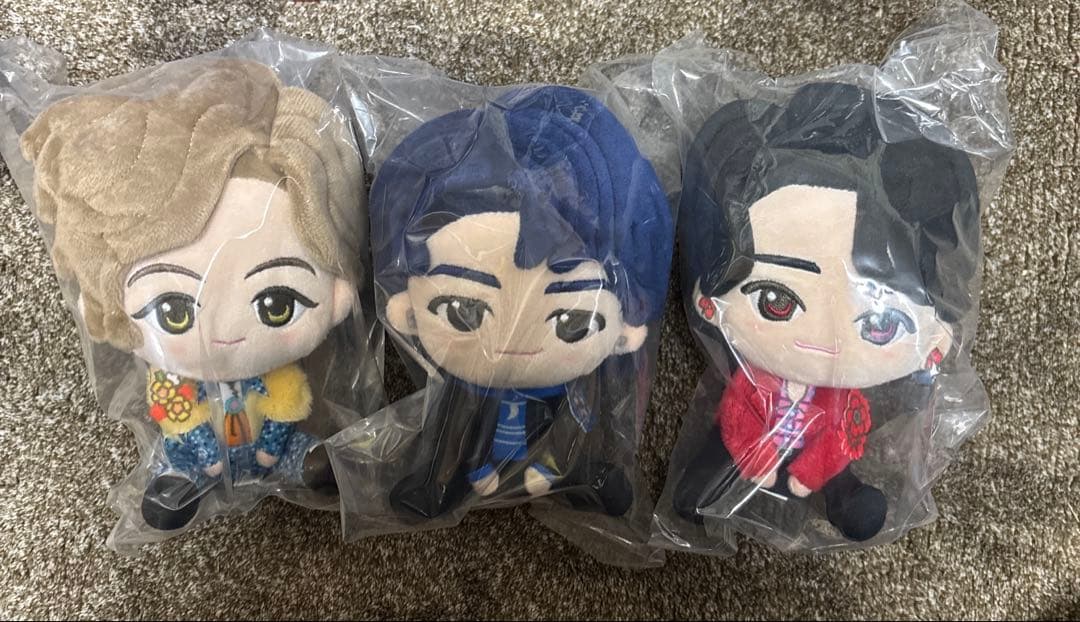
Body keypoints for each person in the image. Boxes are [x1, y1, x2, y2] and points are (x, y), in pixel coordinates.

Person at [21, 58, 364, 530]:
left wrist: (270, 448)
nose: (226, 335)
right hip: (198, 456)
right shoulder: (173, 385)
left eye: (277, 304)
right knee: (177, 457)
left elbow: (288, 405)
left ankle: (306, 467)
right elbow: (180, 421)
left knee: (304, 452)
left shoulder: (277, 378)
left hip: (276, 445)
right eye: (174, 311)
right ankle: (177, 482)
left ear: (338, 295)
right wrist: (209, 459)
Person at [673, 82, 980, 541]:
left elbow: (838, 439)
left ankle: (843, 498)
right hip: (755, 441)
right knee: (722, 450)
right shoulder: (754, 383)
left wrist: (809, 474)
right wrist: (758, 460)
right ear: (710, 301)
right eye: (776, 301)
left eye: (879, 324)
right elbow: (737, 417)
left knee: (839, 468)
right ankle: (710, 484)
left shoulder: (841, 402)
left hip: (813, 449)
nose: (823, 339)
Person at [370, 85, 673, 519]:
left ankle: (568, 474)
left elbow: (582, 421)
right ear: (407, 310)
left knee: (567, 445)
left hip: (546, 454)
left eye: (572, 321)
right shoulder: (467, 392)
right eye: (463, 312)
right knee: (454, 434)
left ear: (625, 329)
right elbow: (455, 428)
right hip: (478, 454)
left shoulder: (571, 394)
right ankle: (450, 478)